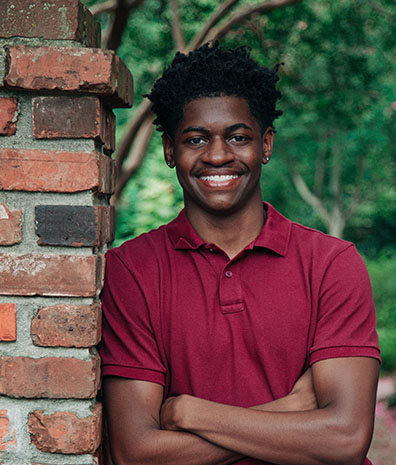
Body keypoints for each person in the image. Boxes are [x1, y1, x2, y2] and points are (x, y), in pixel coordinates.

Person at [99, 42, 381, 465]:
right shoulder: (132, 271)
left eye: (238, 137)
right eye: (196, 139)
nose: (217, 155)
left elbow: (345, 440)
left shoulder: (331, 264)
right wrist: (288, 410)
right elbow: (136, 454)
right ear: (170, 150)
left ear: (265, 144)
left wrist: (190, 412)